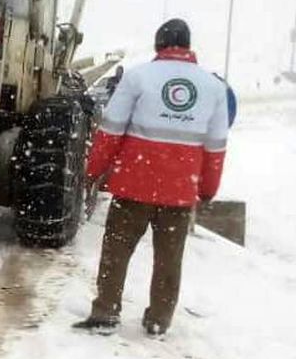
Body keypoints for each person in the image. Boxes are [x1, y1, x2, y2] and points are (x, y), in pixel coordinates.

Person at [74, 18, 229, 337]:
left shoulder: (137, 78)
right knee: (169, 260)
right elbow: (216, 147)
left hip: (134, 186)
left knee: (116, 251)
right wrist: (208, 189)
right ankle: (159, 319)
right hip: (179, 192)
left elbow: (110, 132)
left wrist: (91, 171)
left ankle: (105, 311)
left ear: (159, 44)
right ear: (187, 46)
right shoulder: (214, 88)